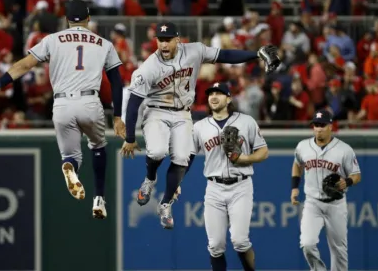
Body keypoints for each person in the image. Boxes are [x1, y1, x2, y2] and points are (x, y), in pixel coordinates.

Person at [0, 0, 125, 219]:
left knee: (70, 156)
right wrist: (117, 116)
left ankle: (70, 167)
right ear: (88, 19)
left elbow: (24, 65)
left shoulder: (53, 39)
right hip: (89, 102)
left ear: (67, 20)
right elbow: (116, 81)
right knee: (98, 146)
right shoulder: (104, 43)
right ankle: (99, 199)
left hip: (61, 105)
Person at [119, 21, 280, 229]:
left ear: (178, 39)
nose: (164, 45)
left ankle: (165, 203)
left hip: (183, 113)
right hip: (156, 110)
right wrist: (130, 137)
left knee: (182, 158)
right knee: (157, 151)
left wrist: (255, 54)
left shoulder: (194, 51)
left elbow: (224, 55)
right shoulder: (149, 67)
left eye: (168, 40)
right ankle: (150, 180)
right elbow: (133, 104)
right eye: (160, 40)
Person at [186, 82, 268, 271]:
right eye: (211, 94)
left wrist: (244, 158)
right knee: (215, 245)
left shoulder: (246, 122)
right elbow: (187, 157)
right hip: (214, 188)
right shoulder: (200, 127)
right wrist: (177, 183)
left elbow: (263, 152)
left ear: (229, 98)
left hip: (241, 186)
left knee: (239, 240)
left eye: (219, 93)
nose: (213, 97)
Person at [291, 109, 362, 270]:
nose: (319, 129)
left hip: (336, 204)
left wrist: (348, 181)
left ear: (331, 126)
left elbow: (357, 175)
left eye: (322, 125)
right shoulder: (303, 146)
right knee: (307, 244)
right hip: (312, 202)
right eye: (316, 125)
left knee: (339, 250)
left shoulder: (344, 149)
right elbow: (297, 164)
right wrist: (294, 188)